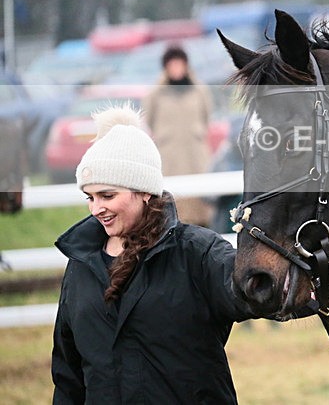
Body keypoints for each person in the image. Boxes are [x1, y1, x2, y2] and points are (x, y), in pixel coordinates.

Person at [51, 105, 253, 404]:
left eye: (107, 195)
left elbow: (255, 290)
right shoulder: (81, 264)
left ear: (144, 191)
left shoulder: (197, 253)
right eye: (90, 198)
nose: (96, 209)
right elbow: (68, 375)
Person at [142, 43, 213, 225]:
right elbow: (148, 120)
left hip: (195, 157)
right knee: (173, 202)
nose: (176, 68)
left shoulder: (199, 91)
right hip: (169, 158)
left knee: (199, 201)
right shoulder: (155, 94)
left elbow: (206, 117)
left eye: (179, 63)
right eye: (172, 64)